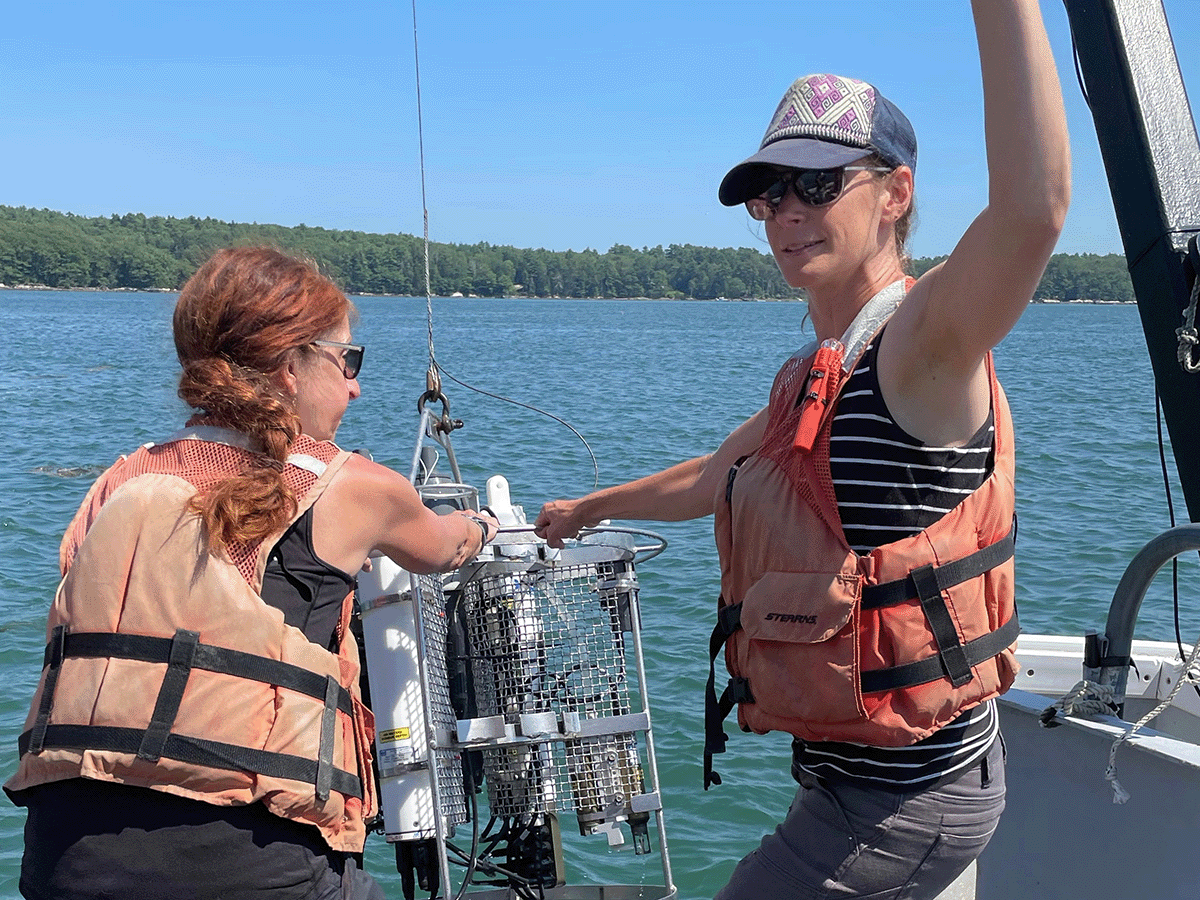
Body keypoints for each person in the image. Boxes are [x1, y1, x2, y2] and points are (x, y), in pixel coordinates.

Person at [535, 2, 1069, 897]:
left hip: (910, 798)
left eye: (818, 186)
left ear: (895, 193)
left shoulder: (920, 347)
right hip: (852, 782)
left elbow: (1035, 208)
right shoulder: (817, 369)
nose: (785, 212)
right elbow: (717, 477)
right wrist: (594, 507)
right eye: (769, 191)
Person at [5, 246, 500, 900]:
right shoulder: (351, 486)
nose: (356, 385)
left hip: (63, 858)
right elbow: (444, 548)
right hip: (246, 865)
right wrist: (489, 525)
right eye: (348, 360)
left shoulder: (121, 480)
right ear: (290, 367)